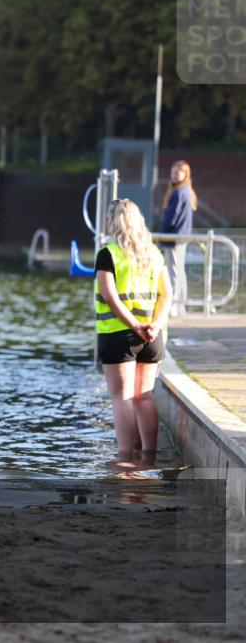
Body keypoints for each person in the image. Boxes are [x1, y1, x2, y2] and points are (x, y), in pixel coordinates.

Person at [95, 199, 171, 467]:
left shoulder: (109, 254)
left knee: (122, 396)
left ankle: (126, 461)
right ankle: (149, 457)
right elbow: (167, 295)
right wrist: (154, 324)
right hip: (152, 337)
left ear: (115, 222)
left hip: (119, 335)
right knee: (144, 396)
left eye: (108, 218)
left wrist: (134, 326)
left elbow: (111, 298)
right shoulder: (154, 253)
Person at [159, 160, 197, 317]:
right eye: (172, 172)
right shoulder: (187, 191)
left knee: (173, 271)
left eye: (177, 173)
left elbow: (172, 218)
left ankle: (174, 305)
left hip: (174, 238)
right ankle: (181, 305)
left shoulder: (180, 193)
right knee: (179, 271)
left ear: (185, 174)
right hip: (181, 237)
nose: (173, 175)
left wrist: (160, 234)